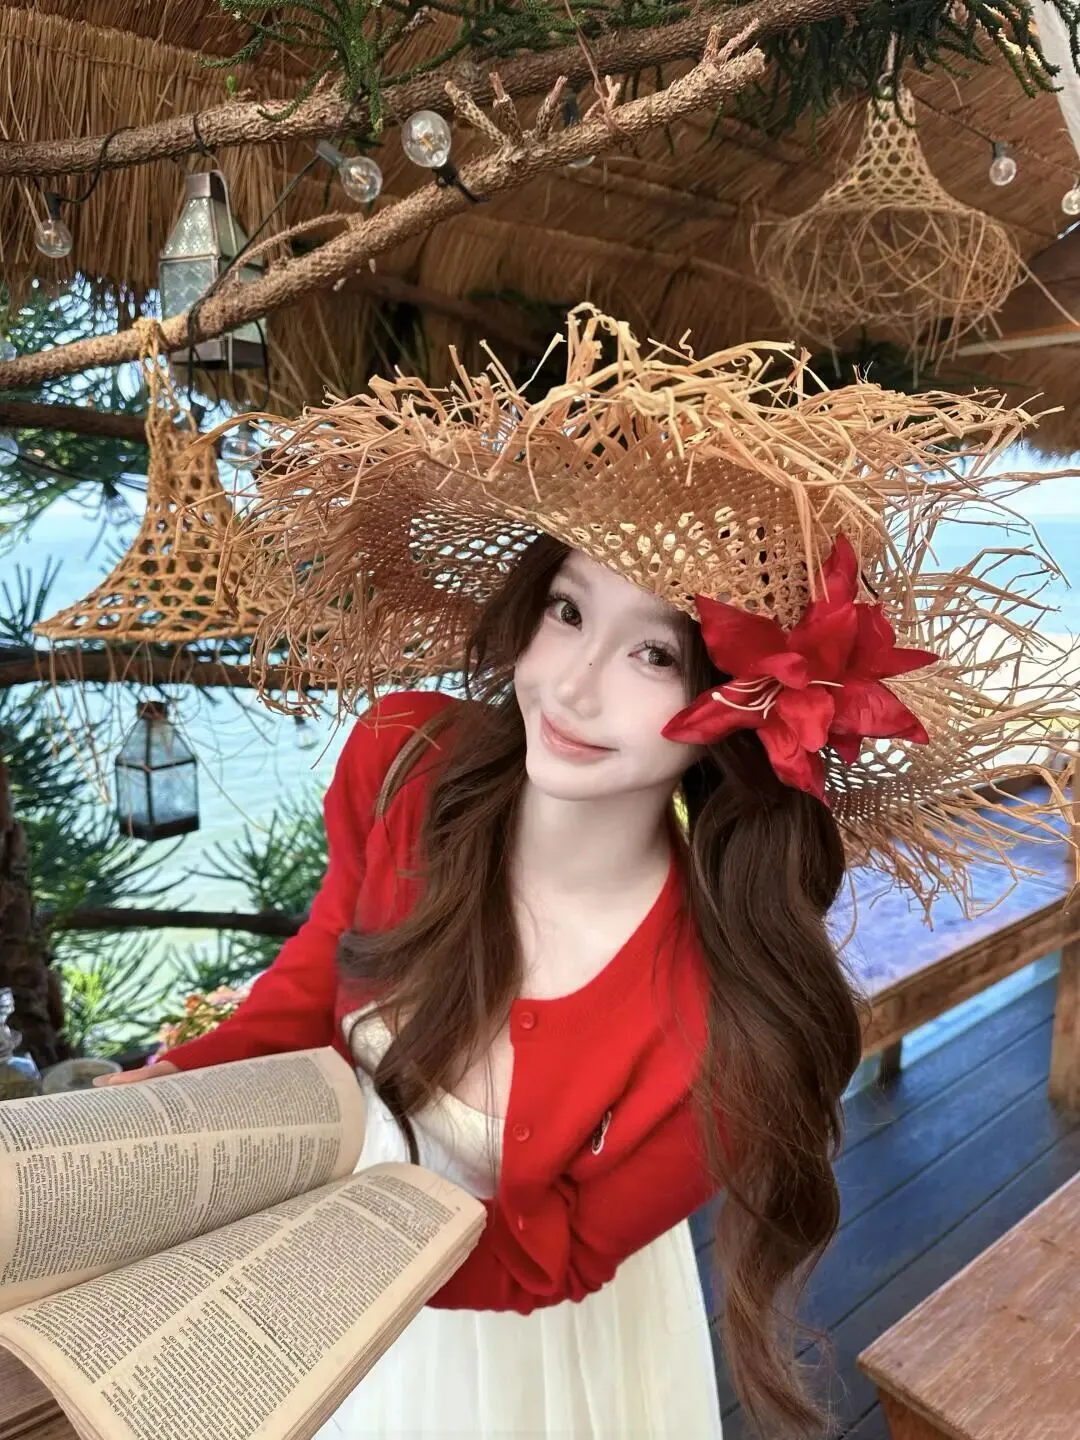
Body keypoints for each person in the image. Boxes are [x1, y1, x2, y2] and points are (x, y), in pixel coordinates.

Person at [98, 308, 1073, 1438]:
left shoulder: (734, 1017)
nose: (571, 685)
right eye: (568, 610)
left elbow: (541, 1261)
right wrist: (161, 1103)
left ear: (745, 716)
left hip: (516, 1349)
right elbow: (319, 979)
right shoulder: (404, 761)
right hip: (317, 1268)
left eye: (655, 652)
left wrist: (291, 1278)